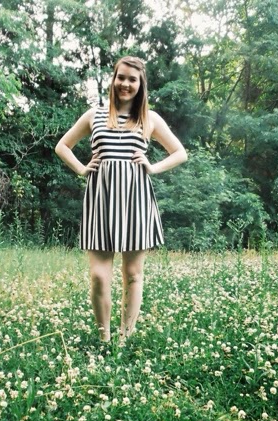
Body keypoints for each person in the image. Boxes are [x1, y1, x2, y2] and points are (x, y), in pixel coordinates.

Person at [55, 56, 187, 346]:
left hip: (135, 201)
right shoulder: (94, 115)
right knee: (99, 276)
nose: (126, 83)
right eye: (121, 77)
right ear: (113, 80)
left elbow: (180, 153)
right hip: (100, 202)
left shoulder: (150, 119)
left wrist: (153, 167)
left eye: (132, 79)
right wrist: (81, 168)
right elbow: (62, 146)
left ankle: (124, 338)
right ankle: (104, 338)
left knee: (133, 274)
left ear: (141, 85)